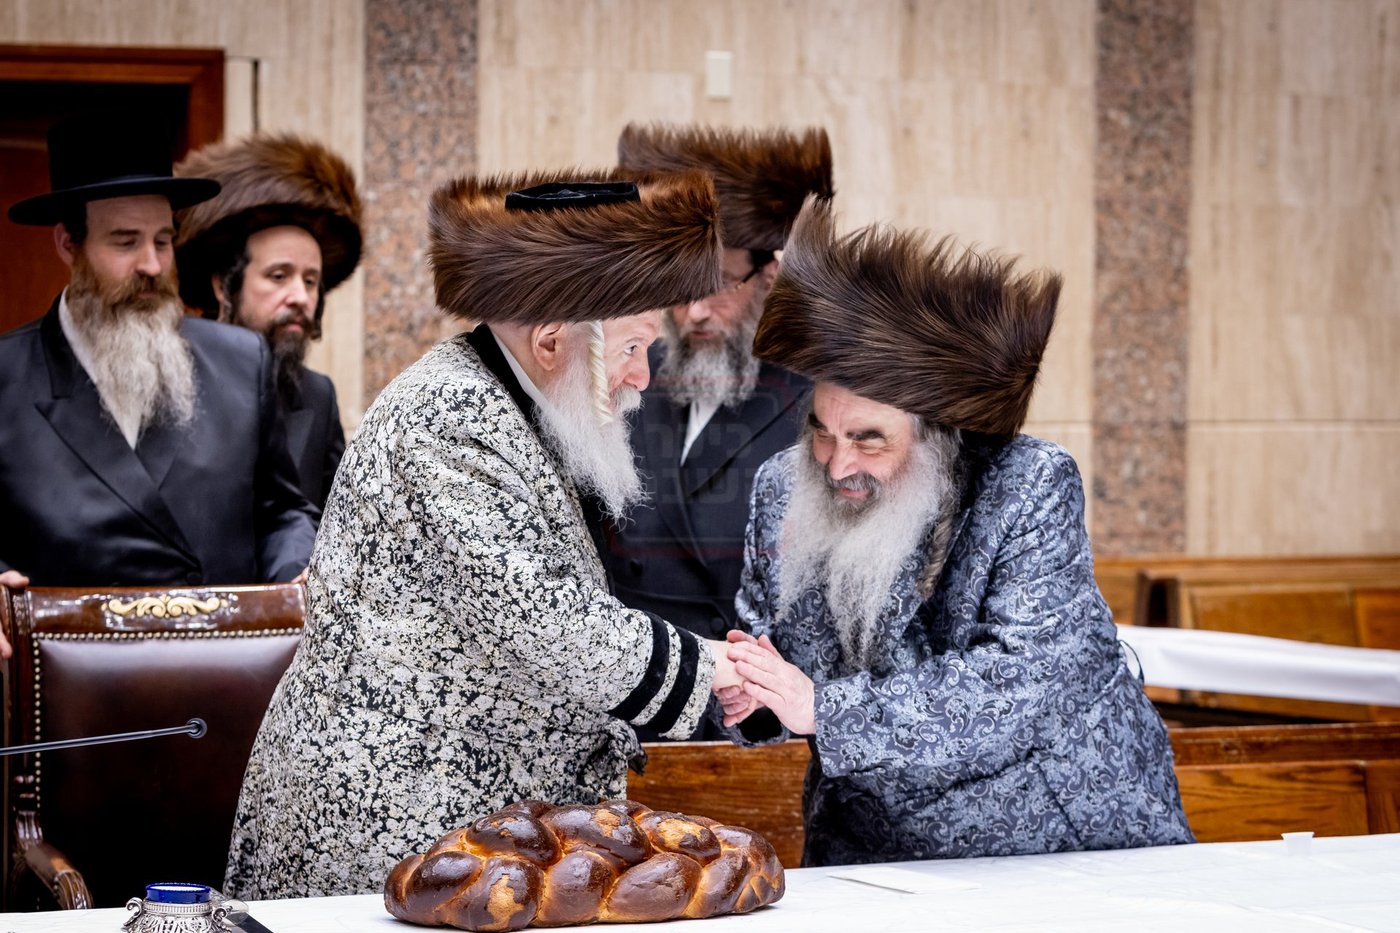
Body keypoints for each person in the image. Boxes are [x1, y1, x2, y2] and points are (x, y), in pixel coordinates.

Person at [226, 169, 742, 899]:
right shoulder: (450, 414)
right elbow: (542, 618)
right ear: (553, 340)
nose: (642, 378)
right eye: (631, 348)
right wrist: (717, 671)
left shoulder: (517, 400)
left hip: (466, 829)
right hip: (383, 829)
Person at [719, 198, 1195, 866]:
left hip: (1056, 843)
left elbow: (1019, 683)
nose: (836, 462)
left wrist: (826, 710)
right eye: (821, 430)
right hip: (875, 851)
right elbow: (767, 647)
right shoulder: (781, 487)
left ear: (937, 440)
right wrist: (749, 697)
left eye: (869, 439)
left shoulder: (1028, 485)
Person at [0, 113, 318, 604]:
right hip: (77, 668)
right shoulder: (6, 377)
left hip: (224, 661)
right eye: (125, 242)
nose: (151, 265)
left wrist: (297, 572)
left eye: (163, 241)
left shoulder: (241, 360)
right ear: (69, 244)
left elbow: (282, 511)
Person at [599, 123, 833, 656]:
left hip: (740, 702)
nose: (695, 311)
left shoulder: (813, 398)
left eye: (719, 286)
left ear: (768, 277)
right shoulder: (634, 371)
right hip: (632, 690)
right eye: (681, 290)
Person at [173, 134, 363, 510]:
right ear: (223, 287)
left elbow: (341, 525)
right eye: (279, 276)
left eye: (310, 281)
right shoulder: (169, 381)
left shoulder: (317, 395)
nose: (300, 297)